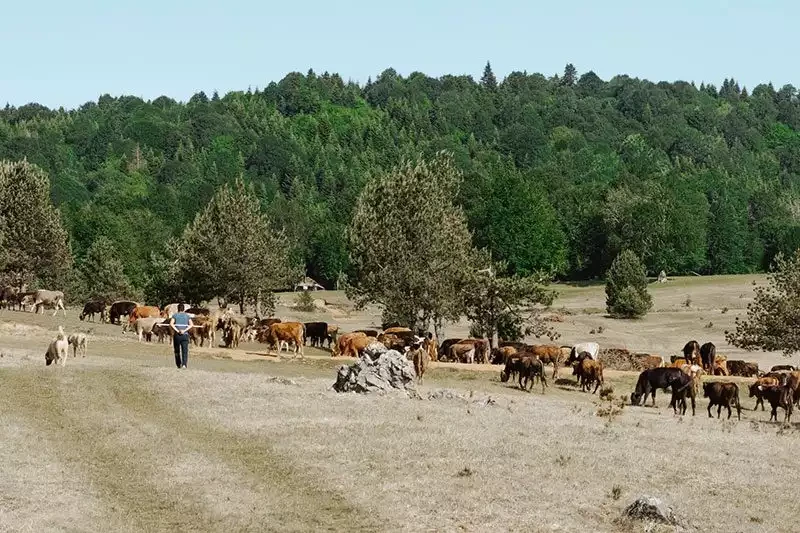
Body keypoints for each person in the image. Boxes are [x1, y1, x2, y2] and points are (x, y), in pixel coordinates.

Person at [169, 303, 193, 369]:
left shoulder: (175, 315)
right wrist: (184, 330)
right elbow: (191, 325)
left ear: (178, 309)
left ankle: (178, 364)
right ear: (184, 309)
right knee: (185, 351)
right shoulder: (187, 316)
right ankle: (184, 365)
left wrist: (177, 330)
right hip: (185, 335)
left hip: (177, 335)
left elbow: (171, 324)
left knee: (177, 351)